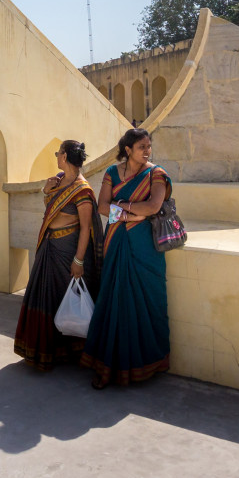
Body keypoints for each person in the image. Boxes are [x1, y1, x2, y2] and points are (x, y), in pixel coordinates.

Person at [81, 128, 172, 389]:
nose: (147, 151)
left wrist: (123, 208)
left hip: (145, 247)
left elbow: (153, 207)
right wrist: (132, 214)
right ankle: (108, 365)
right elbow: (101, 206)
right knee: (113, 299)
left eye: (149, 146)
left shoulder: (156, 174)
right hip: (116, 241)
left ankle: (148, 363)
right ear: (128, 149)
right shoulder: (112, 173)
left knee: (147, 300)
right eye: (142, 146)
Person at [13, 139, 102, 370]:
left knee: (68, 301)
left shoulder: (82, 190)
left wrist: (78, 260)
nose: (56, 157)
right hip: (50, 249)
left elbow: (86, 227)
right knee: (46, 298)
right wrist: (47, 190)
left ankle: (71, 352)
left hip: (69, 253)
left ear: (64, 156)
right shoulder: (59, 181)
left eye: (58, 153)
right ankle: (46, 351)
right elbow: (53, 211)